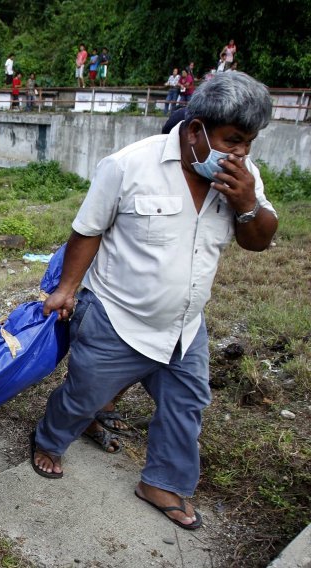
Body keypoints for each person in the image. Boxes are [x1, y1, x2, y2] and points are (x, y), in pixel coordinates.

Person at [30, 72, 278, 532]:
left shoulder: (243, 177)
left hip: (185, 325)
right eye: (234, 139)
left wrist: (246, 202)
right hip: (117, 317)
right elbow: (88, 229)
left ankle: (162, 482)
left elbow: (259, 240)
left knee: (186, 404)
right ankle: (50, 438)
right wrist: (65, 290)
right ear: (196, 128)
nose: (241, 152)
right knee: (86, 393)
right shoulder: (128, 165)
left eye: (249, 142)